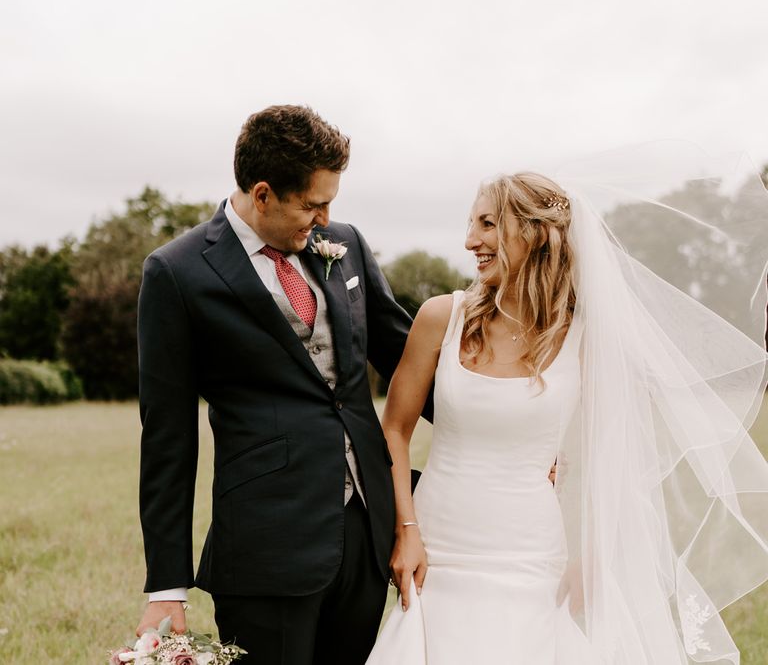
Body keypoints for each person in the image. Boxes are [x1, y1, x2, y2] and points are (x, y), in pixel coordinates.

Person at [366, 165, 768, 664]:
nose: (470, 240)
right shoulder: (440, 318)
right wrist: (407, 531)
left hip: (530, 548)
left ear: (534, 234)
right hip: (438, 541)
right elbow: (396, 429)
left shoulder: (585, 339)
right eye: (471, 224)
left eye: (488, 224)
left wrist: (593, 557)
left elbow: (612, 453)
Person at [135, 105, 417, 665]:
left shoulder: (345, 244)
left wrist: (497, 425)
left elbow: (407, 356)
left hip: (365, 535)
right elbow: (167, 435)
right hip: (266, 547)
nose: (326, 217)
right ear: (261, 194)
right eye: (312, 205)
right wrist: (167, 585)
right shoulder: (177, 272)